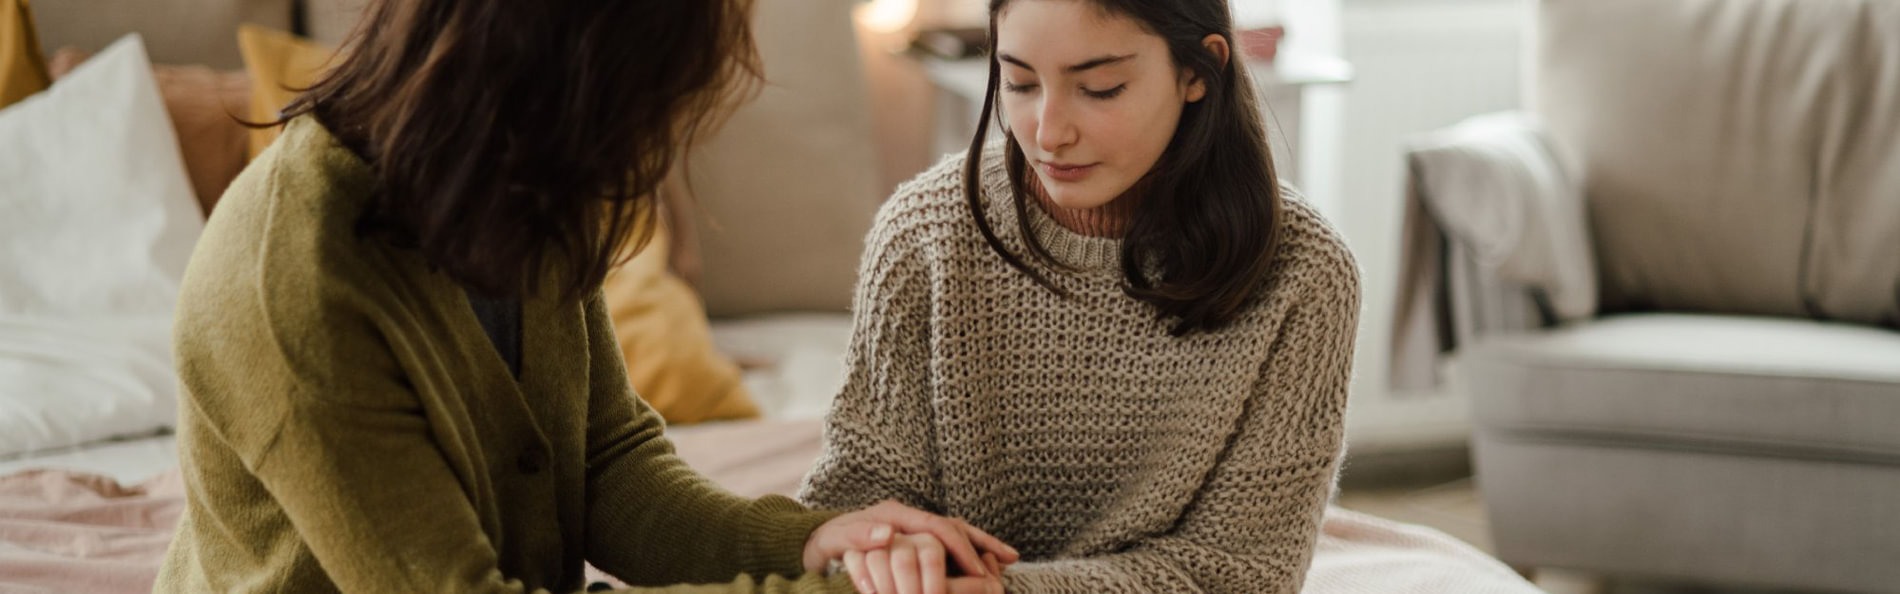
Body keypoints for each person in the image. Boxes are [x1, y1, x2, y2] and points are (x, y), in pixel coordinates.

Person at [152, 0, 1015, 592]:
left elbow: (607, 468)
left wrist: (810, 542)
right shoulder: (294, 283)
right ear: (555, 85)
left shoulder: (514, 193)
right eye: (641, 112)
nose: (649, 154)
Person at [799, 0, 1360, 592]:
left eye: (1099, 88)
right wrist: (891, 546)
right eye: (1017, 82)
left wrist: (1010, 590)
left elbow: (1242, 572)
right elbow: (851, 502)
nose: (1048, 133)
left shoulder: (1305, 274)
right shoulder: (923, 235)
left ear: (1199, 71)